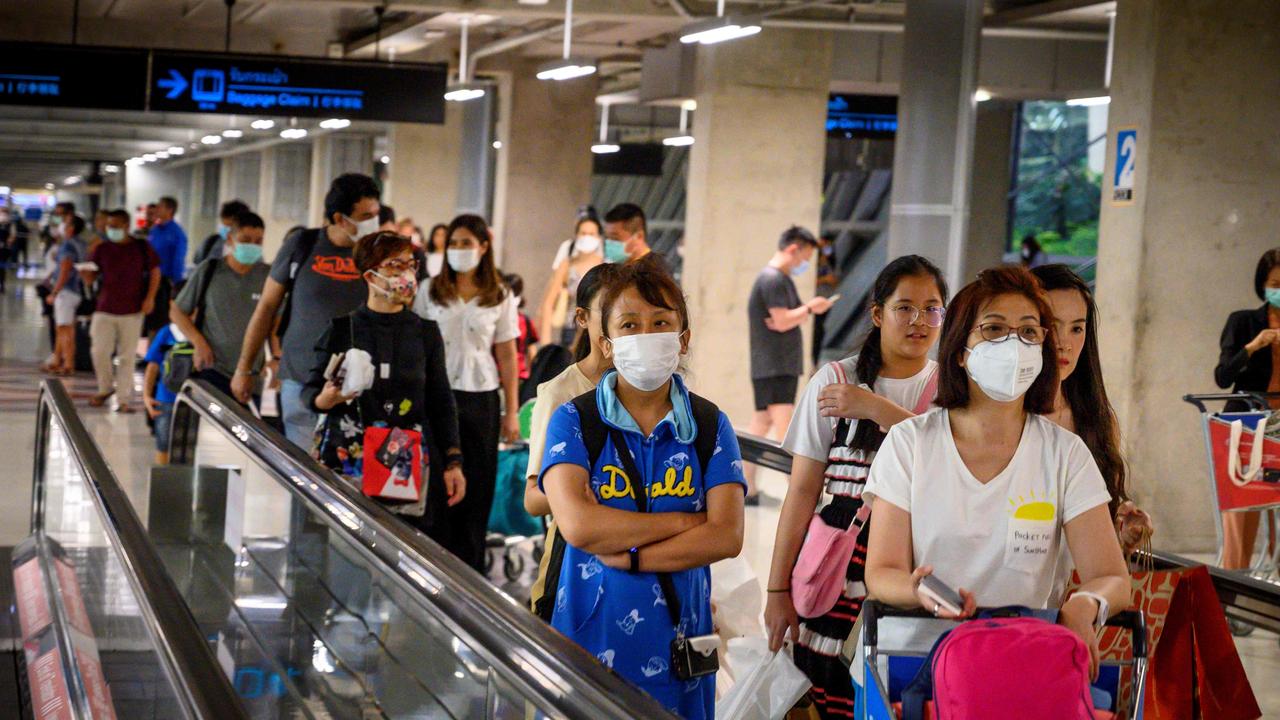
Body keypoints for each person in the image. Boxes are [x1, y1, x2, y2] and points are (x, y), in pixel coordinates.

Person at [863, 265, 1130, 682]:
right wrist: (919, 591)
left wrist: (1084, 605)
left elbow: (1111, 575)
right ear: (960, 351)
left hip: (1022, 661)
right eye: (993, 330)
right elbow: (881, 572)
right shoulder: (910, 443)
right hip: (919, 667)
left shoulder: (1065, 454)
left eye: (1028, 332)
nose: (1014, 344)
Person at [538, 257, 746, 719]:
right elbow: (579, 527)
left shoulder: (710, 425)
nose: (646, 335)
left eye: (661, 323)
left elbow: (726, 537)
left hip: (682, 640)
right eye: (630, 324)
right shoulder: (575, 420)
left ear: (683, 338)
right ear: (607, 343)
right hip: (589, 637)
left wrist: (631, 553)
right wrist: (684, 523)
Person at [764, 255, 948, 718]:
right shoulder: (835, 381)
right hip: (834, 569)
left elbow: (947, 468)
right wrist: (776, 591)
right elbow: (803, 492)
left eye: (932, 309)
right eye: (905, 307)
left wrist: (874, 409)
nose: (919, 321)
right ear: (878, 314)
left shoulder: (952, 390)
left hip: (915, 566)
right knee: (826, 689)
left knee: (900, 689)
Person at [303, 231, 465, 524]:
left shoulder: (426, 333)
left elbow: (441, 401)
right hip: (346, 458)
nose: (406, 274)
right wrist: (325, 399)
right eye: (394, 265)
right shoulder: (343, 328)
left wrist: (454, 462)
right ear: (370, 276)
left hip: (403, 460)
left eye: (410, 264)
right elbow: (311, 392)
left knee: (401, 549)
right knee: (344, 549)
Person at [231, 173, 381, 449]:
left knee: (351, 484)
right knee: (304, 480)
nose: (374, 221)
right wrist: (244, 368)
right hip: (300, 380)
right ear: (339, 218)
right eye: (365, 215)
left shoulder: (377, 254)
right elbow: (266, 308)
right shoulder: (302, 245)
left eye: (376, 213)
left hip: (359, 387)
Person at [412, 214, 521, 570]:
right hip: (435, 395)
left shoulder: (500, 294)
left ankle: (470, 566)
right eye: (454, 243)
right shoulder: (429, 290)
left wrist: (512, 411)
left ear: (483, 247)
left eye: (467, 243)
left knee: (477, 483)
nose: (459, 250)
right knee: (438, 483)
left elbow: (506, 354)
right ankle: (432, 563)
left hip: (481, 397)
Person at [1032, 264, 1155, 556]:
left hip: (1080, 589)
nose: (1064, 343)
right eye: (1051, 325)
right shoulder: (999, 418)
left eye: (1077, 328)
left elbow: (1101, 521)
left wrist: (1122, 526)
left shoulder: (1095, 419)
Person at [523, 262, 621, 620]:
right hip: (572, 566)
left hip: (641, 568)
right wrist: (576, 494)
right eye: (610, 312)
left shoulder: (660, 392)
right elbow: (533, 499)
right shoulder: (560, 392)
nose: (623, 326)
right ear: (581, 318)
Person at [744, 226, 834, 503]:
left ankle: (747, 486)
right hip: (775, 365)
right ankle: (801, 492)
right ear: (794, 249)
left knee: (762, 423)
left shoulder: (776, 279)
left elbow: (781, 320)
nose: (804, 264)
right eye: (805, 256)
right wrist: (809, 308)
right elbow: (781, 320)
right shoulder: (773, 280)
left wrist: (796, 315)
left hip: (773, 365)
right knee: (786, 427)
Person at [1213, 247, 1280, 571]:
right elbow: (1223, 376)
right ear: (1263, 285)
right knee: (1242, 513)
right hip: (1247, 428)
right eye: (1276, 283)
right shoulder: (1243, 322)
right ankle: (1235, 586)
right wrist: (1254, 347)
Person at [170, 211, 273, 401]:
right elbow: (177, 311)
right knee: (208, 428)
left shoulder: (268, 276)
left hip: (250, 374)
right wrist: (198, 342)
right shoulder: (210, 270)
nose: (252, 245)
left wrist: (276, 358)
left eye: (258, 241)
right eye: (246, 239)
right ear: (230, 239)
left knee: (244, 429)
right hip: (211, 369)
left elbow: (275, 322)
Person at [83, 209, 161, 412]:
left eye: (115, 226)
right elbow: (91, 277)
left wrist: (150, 297)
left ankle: (124, 399)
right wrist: (85, 270)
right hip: (105, 308)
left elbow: (155, 272)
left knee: (127, 356)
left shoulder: (141, 248)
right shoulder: (102, 249)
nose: (111, 230)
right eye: (109, 226)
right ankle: (105, 388)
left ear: (127, 226)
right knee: (99, 351)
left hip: (132, 309)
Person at [537, 216, 605, 346]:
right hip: (571, 328)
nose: (587, 237)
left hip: (598, 329)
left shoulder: (605, 266)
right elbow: (548, 303)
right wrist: (546, 342)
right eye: (583, 233)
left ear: (599, 237)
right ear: (576, 235)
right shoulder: (567, 265)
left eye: (591, 234)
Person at [44, 214, 91, 376]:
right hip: (75, 290)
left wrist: (54, 292)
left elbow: (65, 269)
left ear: (71, 228)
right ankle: (57, 360)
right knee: (62, 327)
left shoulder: (68, 246)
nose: (62, 225)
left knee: (65, 329)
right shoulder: (81, 244)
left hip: (66, 291)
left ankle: (68, 363)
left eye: (65, 222)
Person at [146, 196, 189, 336]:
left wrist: (175, 284)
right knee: (148, 319)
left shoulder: (177, 233)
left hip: (165, 282)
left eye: (160, 206)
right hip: (149, 279)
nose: (156, 209)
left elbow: (178, 259)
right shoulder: (155, 230)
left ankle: (157, 352)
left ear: (170, 210)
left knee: (160, 320)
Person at [142, 324, 181, 465]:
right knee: (163, 444)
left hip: (193, 399)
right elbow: (152, 366)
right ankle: (164, 481)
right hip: (165, 399)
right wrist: (146, 396)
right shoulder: (167, 332)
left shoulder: (204, 330)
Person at [503, 273, 539, 382]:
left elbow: (531, 350)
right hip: (497, 378)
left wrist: (533, 376)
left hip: (520, 377)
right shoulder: (494, 320)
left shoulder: (525, 321)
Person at [193, 199, 250, 266]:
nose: (227, 230)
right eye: (225, 225)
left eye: (231, 227)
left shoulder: (250, 252)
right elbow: (197, 265)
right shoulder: (211, 242)